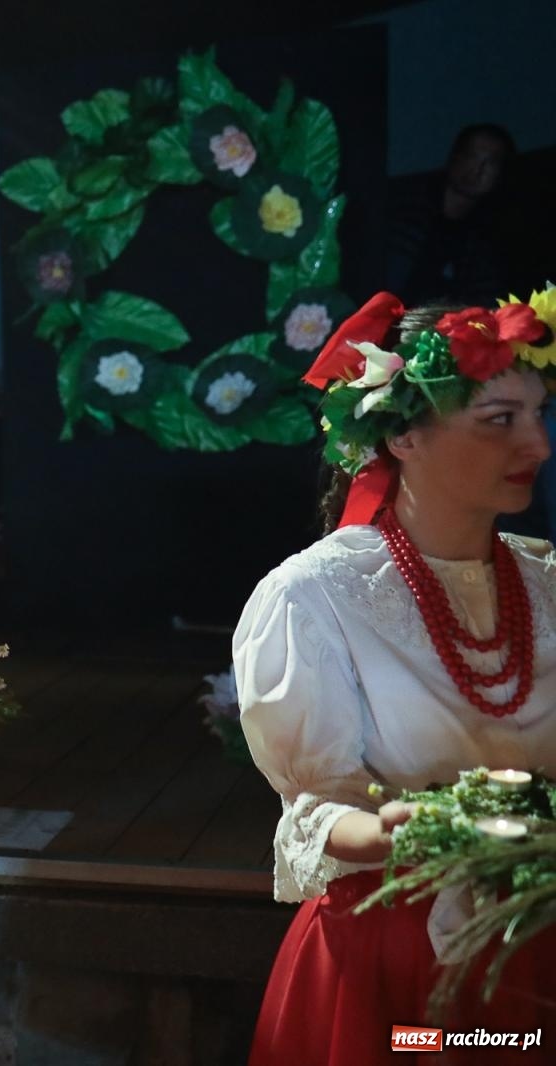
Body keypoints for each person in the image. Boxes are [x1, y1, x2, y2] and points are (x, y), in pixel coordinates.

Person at [235, 290, 556, 1065]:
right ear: (405, 435)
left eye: (539, 415)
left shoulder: (547, 582)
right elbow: (314, 812)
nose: (539, 446)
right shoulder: (314, 597)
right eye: (499, 421)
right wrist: (384, 831)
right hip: (395, 958)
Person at [386, 124, 517, 306]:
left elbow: (489, 299)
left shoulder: (489, 236)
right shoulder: (404, 207)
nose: (476, 170)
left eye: (490, 163)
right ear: (455, 156)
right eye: (470, 156)